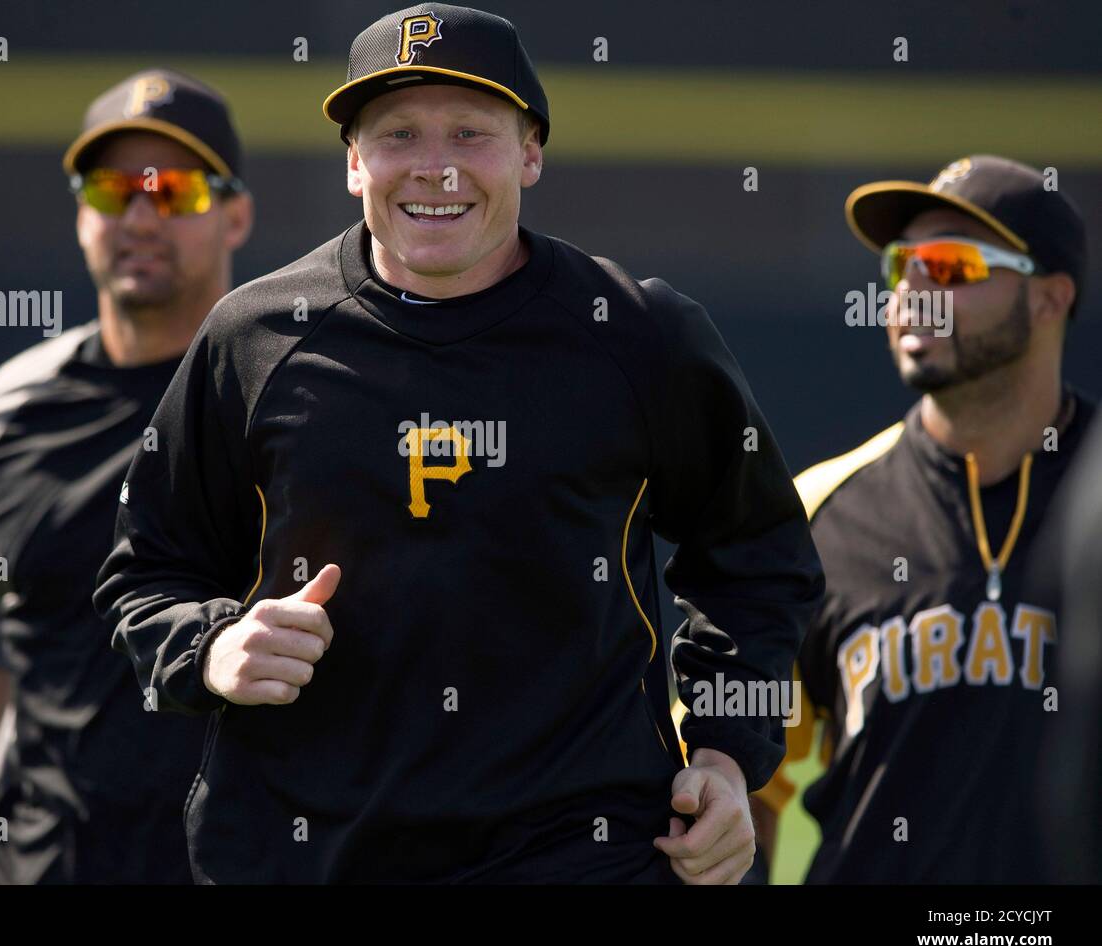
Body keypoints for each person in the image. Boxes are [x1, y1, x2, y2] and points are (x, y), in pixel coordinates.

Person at [94, 4, 822, 884]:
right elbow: (145, 571)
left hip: (580, 855)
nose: (434, 167)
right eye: (397, 133)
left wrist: (726, 755)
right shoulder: (256, 338)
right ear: (355, 161)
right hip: (306, 853)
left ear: (531, 152)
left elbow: (758, 558)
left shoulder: (637, 335)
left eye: (471, 133)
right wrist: (211, 648)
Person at [0, 68, 255, 884]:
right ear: (81, 216)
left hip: (241, 861)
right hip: (42, 861)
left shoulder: (286, 402)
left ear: (235, 212)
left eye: (172, 190)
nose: (138, 215)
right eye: (109, 191)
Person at [753, 155, 1092, 883]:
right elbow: (732, 774)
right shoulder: (818, 513)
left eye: (948, 267)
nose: (911, 293)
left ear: (1048, 298)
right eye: (900, 267)